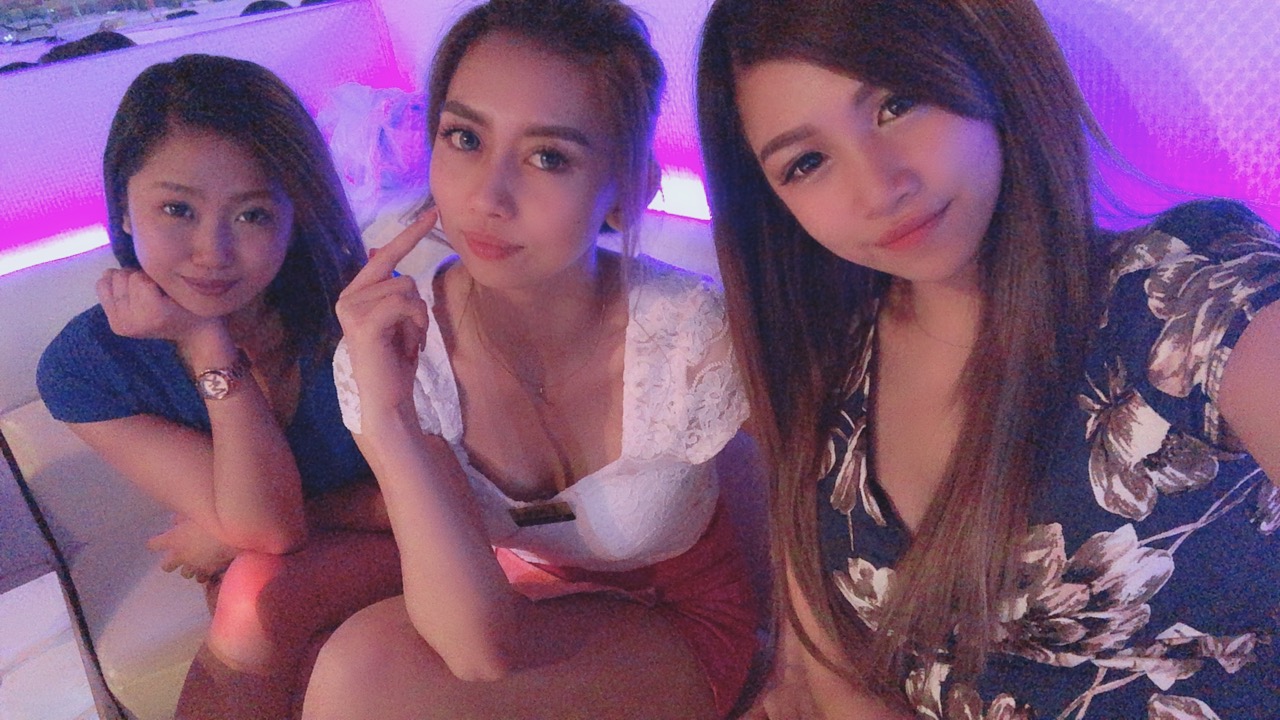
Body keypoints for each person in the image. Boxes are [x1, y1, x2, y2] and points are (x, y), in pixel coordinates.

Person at [695, 0, 1280, 717]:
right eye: (807, 162)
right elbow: (837, 677)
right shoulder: (831, 370)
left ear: (987, 60)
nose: (879, 188)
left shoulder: (1189, 299)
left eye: (897, 104)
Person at [301, 1, 761, 718]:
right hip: (523, 608)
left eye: (549, 157)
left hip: (681, 618)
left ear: (626, 192)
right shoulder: (394, 345)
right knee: (355, 668)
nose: (487, 197)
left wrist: (806, 670)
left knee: (364, 679)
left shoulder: (694, 335)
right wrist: (388, 420)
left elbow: (811, 509)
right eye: (464, 138)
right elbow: (476, 645)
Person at [36, 54, 401, 719]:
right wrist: (206, 341)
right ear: (124, 207)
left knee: (257, 594)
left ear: (295, 214)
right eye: (178, 208)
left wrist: (232, 535)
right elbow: (267, 526)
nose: (213, 252)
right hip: (289, 569)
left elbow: (442, 492)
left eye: (252, 215)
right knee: (265, 603)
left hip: (428, 544)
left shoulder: (360, 309)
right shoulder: (88, 367)